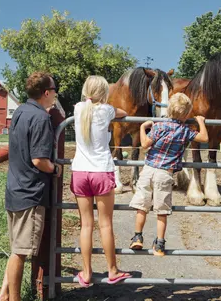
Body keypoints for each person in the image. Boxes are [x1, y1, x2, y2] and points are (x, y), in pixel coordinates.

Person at [0, 71, 62, 301]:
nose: (55, 94)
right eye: (54, 90)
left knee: (17, 248)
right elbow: (39, 160)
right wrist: (55, 168)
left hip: (14, 188)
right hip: (31, 193)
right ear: (46, 92)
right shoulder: (42, 118)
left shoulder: (20, 111)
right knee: (20, 253)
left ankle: (3, 296)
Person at [128, 93, 208, 256]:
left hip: (148, 170)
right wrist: (200, 122)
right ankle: (159, 244)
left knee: (142, 207)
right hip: (165, 174)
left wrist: (143, 128)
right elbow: (204, 137)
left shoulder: (159, 126)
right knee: (162, 210)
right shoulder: (185, 131)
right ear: (186, 114)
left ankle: (137, 237)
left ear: (169, 110)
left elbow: (144, 144)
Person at [70, 75, 132, 287]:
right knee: (105, 224)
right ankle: (112, 270)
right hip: (101, 172)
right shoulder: (107, 110)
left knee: (85, 225)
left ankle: (86, 273)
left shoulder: (78, 109)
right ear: (104, 93)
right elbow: (125, 113)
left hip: (79, 171)